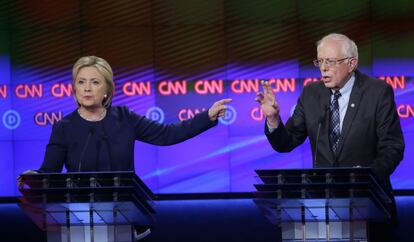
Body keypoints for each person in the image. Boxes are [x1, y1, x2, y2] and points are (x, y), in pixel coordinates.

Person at [18, 55, 232, 241]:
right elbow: (50, 173)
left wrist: (207, 116)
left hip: (121, 215)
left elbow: (168, 134)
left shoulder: (124, 118)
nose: (87, 88)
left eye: (94, 82)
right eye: (81, 82)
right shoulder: (64, 127)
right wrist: (34, 178)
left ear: (106, 90)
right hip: (77, 218)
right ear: (74, 88)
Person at [256, 33, 404, 241]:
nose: (323, 68)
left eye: (330, 62)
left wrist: (365, 180)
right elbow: (286, 142)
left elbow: (393, 147)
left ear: (351, 63)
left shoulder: (377, 92)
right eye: (320, 61)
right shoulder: (311, 93)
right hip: (321, 208)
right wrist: (273, 120)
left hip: (369, 206)